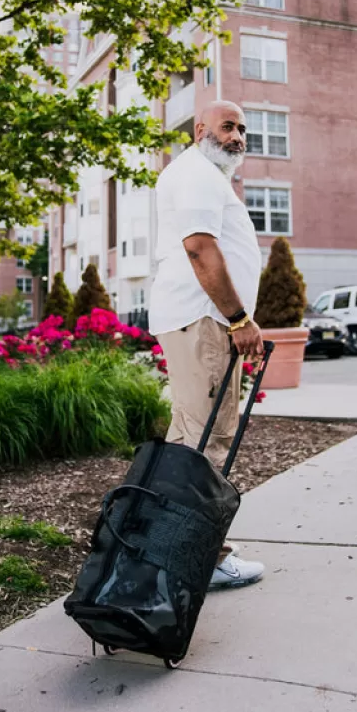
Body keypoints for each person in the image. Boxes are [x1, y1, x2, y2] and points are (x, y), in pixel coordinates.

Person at [149, 100, 265, 590]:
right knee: (205, 443)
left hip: (201, 320)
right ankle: (203, 558)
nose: (238, 136)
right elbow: (200, 247)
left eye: (242, 129)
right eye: (227, 126)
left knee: (189, 438)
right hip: (205, 320)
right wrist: (239, 318)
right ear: (200, 130)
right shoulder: (197, 173)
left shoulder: (201, 174)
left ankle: (169, 550)